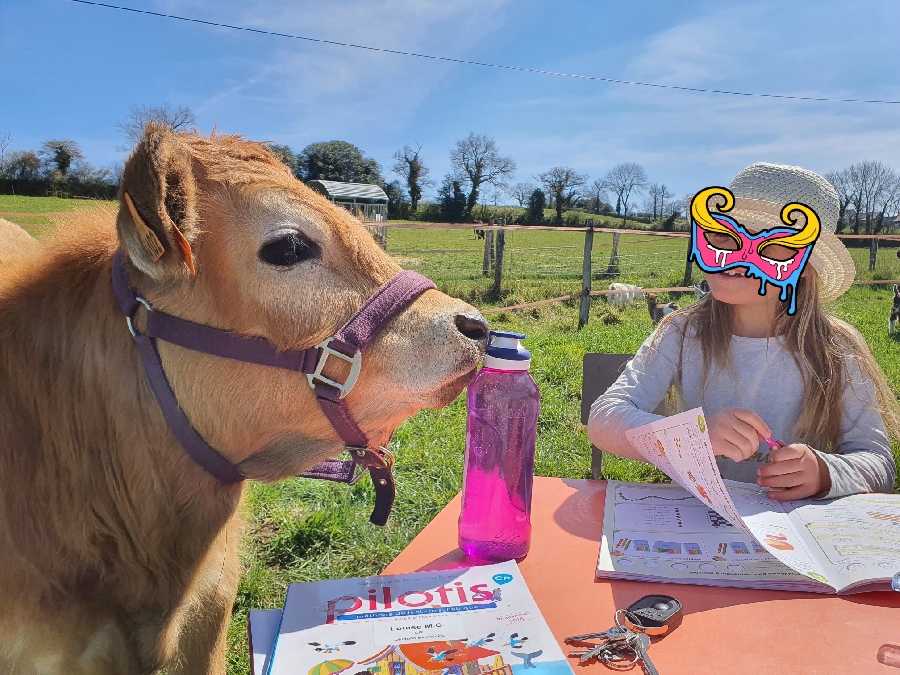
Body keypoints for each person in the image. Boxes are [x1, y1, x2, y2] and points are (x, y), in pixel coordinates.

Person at [589, 163, 899, 500]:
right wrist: (694, 437)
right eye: (724, 234)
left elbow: (879, 463)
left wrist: (825, 473)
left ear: (806, 267)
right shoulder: (681, 333)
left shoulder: (836, 349)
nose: (734, 254)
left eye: (769, 242)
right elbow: (605, 419)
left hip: (795, 536)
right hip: (696, 524)